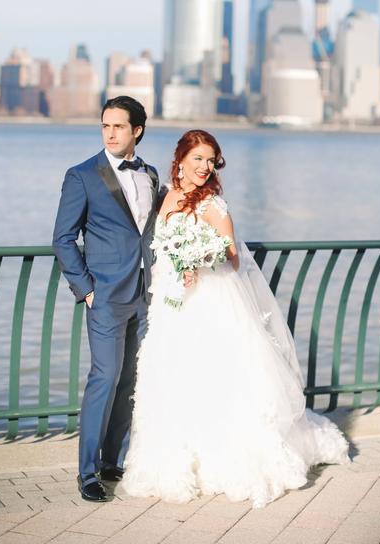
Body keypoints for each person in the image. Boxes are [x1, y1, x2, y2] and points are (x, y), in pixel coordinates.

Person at [122, 129, 349, 509]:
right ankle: (170, 463)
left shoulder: (213, 204)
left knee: (214, 377)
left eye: (210, 161)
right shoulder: (165, 197)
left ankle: (220, 462)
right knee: (169, 377)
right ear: (180, 159)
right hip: (170, 305)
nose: (204, 167)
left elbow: (232, 257)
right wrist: (177, 266)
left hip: (208, 300)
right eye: (198, 158)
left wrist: (199, 260)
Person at [52, 96, 158, 503]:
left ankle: (114, 460)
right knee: (105, 377)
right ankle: (88, 472)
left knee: (131, 380)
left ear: (137, 131)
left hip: (146, 294)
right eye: (105, 126)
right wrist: (87, 289)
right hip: (106, 296)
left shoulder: (149, 174)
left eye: (118, 126)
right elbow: (63, 239)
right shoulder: (81, 175)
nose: (110, 133)